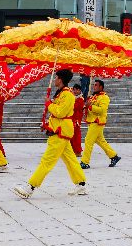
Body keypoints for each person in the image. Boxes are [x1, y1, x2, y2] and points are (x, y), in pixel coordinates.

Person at [13, 69, 87, 199]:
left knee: (47, 161)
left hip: (61, 132)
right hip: (59, 130)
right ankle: (81, 184)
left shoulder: (68, 95)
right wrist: (47, 124)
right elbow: (56, 115)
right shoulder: (61, 94)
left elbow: (60, 113)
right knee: (70, 160)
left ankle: (30, 187)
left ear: (61, 80)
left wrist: (49, 104)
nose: (54, 80)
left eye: (56, 78)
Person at [81, 80, 120, 169]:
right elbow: (88, 108)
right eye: (94, 85)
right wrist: (86, 106)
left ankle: (84, 162)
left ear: (101, 87)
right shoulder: (93, 97)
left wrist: (90, 106)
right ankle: (114, 156)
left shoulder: (104, 97)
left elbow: (102, 110)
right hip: (92, 121)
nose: (94, 87)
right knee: (100, 141)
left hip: (97, 121)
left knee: (88, 141)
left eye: (96, 85)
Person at [70, 84, 85, 158]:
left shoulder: (81, 99)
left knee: (76, 137)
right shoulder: (74, 98)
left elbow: (74, 107)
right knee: (71, 136)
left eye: (77, 90)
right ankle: (72, 150)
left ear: (79, 90)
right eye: (74, 90)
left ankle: (78, 151)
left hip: (76, 121)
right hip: (71, 119)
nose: (75, 91)